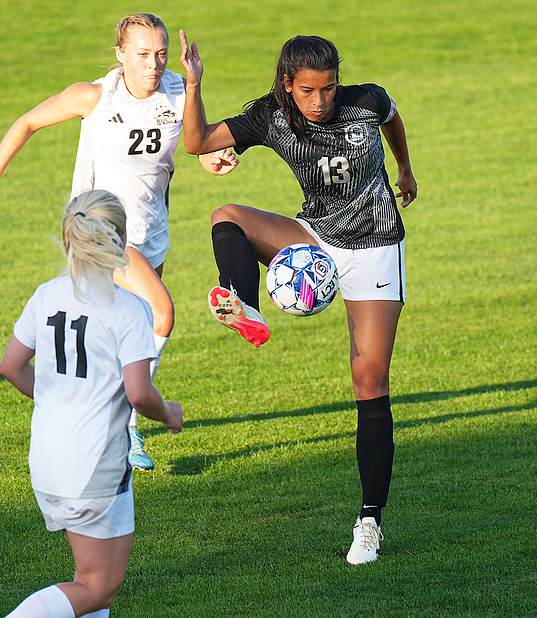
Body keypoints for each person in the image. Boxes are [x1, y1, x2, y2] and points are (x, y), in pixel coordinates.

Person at [178, 31, 417, 564]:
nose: (320, 101)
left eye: (328, 89)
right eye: (308, 91)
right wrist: (193, 84)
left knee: (369, 377)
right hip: (316, 239)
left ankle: (369, 522)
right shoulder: (272, 116)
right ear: (288, 85)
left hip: (376, 248)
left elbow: (393, 117)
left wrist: (404, 168)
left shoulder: (365, 101)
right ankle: (244, 307)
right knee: (228, 215)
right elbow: (196, 143)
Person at [0, 13, 236, 471]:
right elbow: (28, 121)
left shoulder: (176, 91)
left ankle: (102, 420)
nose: (153, 65)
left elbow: (195, 146)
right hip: (96, 227)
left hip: (150, 232)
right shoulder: (96, 96)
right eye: (143, 54)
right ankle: (124, 423)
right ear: (120, 54)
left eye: (161, 54)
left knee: (130, 329)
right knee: (163, 313)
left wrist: (215, 158)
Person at [0, 189, 184, 618]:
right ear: (121, 239)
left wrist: (56, 397)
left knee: (89, 576)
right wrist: (168, 413)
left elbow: (11, 366)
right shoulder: (129, 309)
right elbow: (139, 392)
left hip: (46, 457)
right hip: (94, 463)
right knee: (96, 587)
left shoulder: (46, 295)